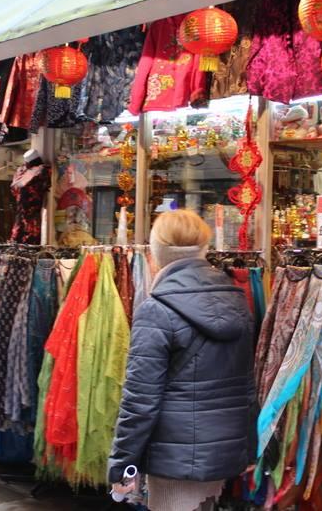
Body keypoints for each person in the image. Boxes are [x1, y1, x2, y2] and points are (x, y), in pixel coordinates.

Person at [108, 209, 256, 511]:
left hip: (174, 456)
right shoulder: (237, 300)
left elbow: (139, 400)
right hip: (224, 448)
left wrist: (123, 466)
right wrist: (248, 447)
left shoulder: (157, 309)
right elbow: (245, 385)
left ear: (156, 252)